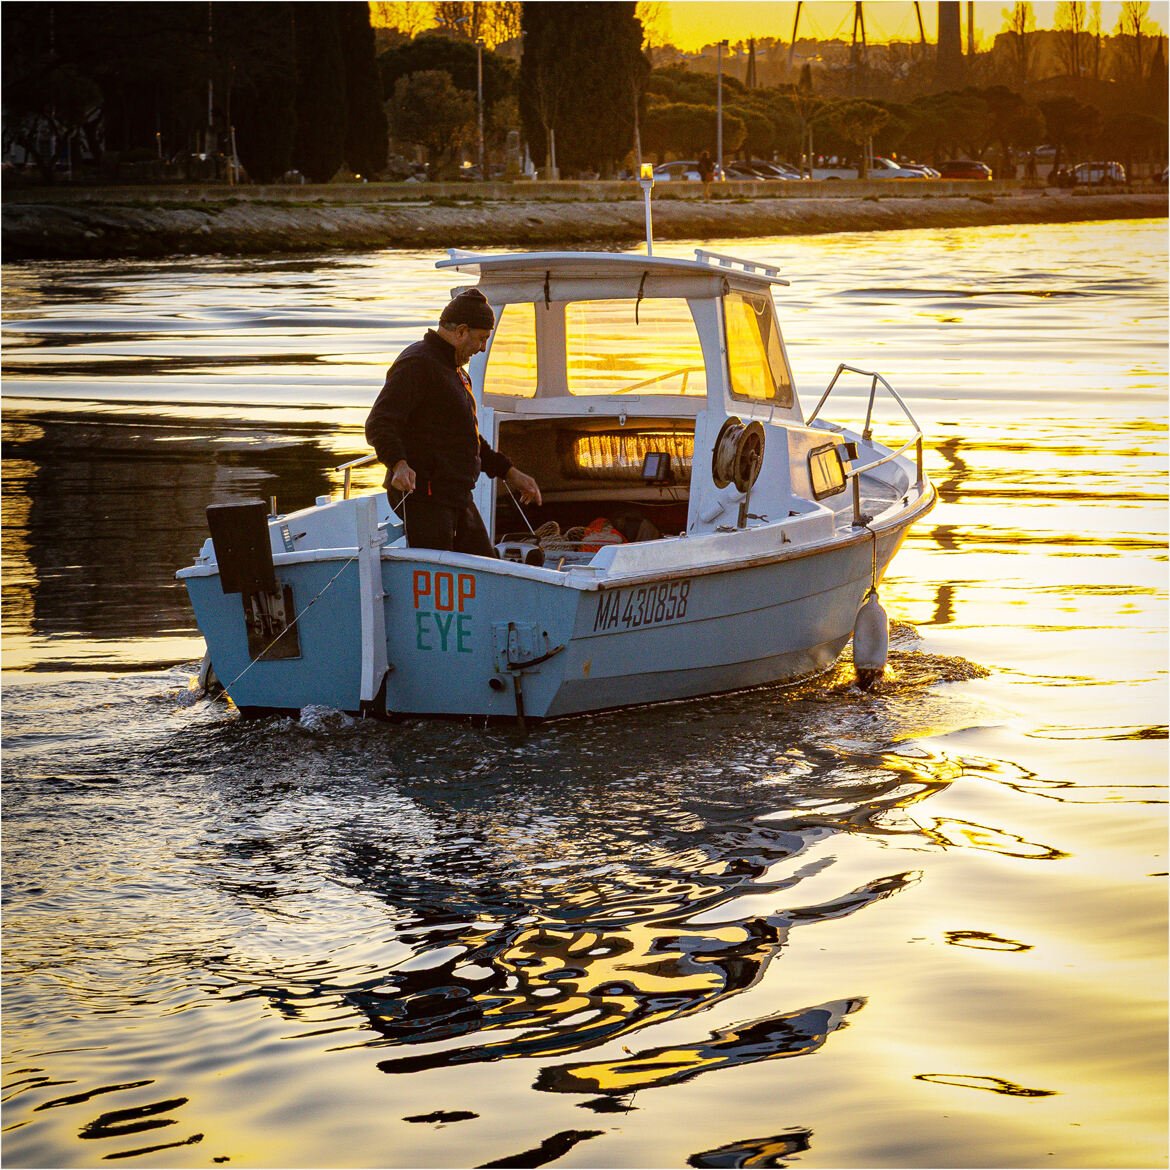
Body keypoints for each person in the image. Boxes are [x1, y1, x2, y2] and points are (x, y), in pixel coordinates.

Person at [365, 287, 541, 556]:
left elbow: (467, 438)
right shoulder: (417, 364)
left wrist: (509, 472)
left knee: (489, 566)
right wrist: (398, 463)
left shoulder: (456, 372)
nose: (482, 348)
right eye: (481, 339)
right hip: (424, 497)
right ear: (460, 331)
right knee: (442, 575)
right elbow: (379, 422)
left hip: (456, 496)